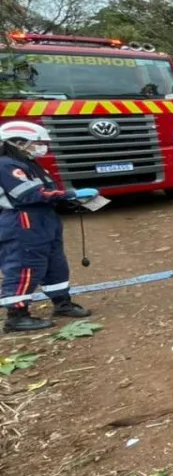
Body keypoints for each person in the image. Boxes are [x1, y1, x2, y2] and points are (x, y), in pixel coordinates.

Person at [0, 121, 94, 332]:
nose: (42, 147)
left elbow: (48, 191)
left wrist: (68, 201)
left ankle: (62, 303)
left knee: (55, 264)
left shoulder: (28, 164)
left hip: (44, 220)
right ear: (18, 142)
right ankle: (16, 316)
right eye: (38, 143)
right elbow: (28, 194)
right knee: (24, 266)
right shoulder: (6, 165)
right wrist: (70, 194)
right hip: (22, 222)